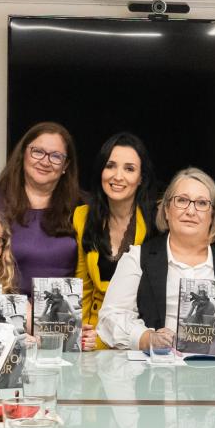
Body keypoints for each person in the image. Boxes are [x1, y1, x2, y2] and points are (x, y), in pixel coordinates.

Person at [97, 167, 215, 354]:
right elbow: (109, 318)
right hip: (154, 374)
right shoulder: (137, 259)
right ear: (167, 210)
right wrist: (144, 337)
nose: (191, 211)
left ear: (213, 215)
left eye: (201, 203)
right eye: (182, 200)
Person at [73, 133, 157, 350]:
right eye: (110, 166)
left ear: (141, 178)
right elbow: (83, 287)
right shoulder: (82, 217)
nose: (117, 176)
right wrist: (79, 332)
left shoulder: (158, 220)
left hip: (138, 338)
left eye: (129, 169)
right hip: (93, 337)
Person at [0, 121, 81, 282]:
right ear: (23, 154)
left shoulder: (81, 207)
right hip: (7, 303)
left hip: (65, 305)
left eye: (56, 156)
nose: (45, 161)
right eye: (38, 152)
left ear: (65, 165)